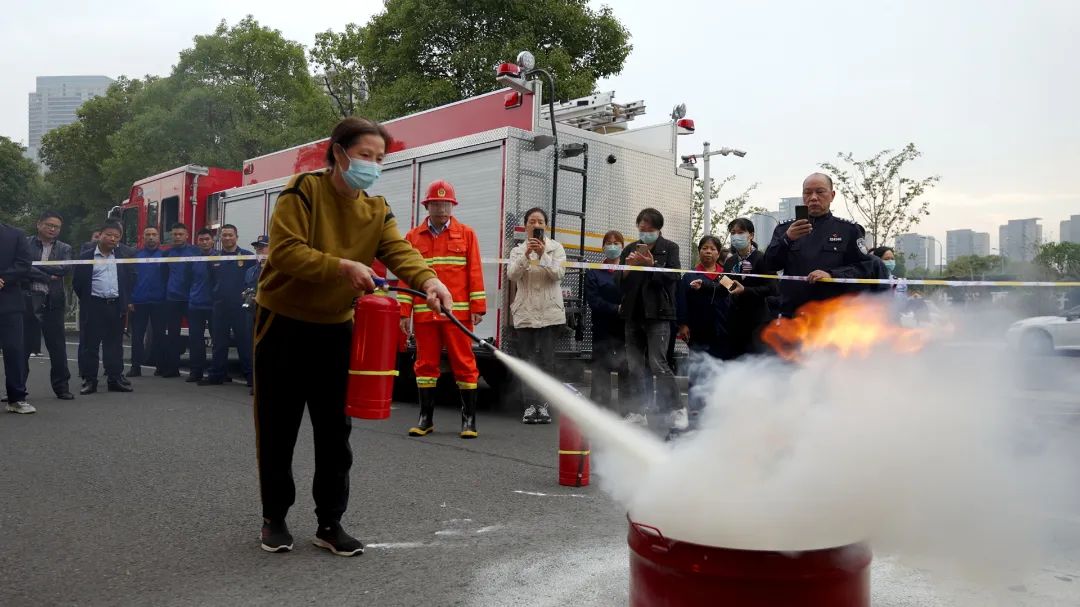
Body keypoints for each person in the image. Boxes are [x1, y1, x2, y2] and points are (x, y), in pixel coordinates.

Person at [253, 116, 453, 556]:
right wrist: (342, 266)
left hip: (335, 328)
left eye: (380, 159)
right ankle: (275, 518)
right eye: (365, 156)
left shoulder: (376, 209)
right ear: (339, 152)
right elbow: (285, 252)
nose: (373, 165)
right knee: (277, 426)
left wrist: (430, 282)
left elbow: (400, 251)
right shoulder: (303, 190)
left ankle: (330, 523)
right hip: (282, 323)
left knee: (334, 431)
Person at [399, 181, 486, 439]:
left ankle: (468, 420)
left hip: (456, 315)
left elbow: (474, 271)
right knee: (425, 364)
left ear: (452, 205)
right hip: (425, 313)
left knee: (464, 364)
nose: (442, 208)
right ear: (427, 205)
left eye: (446, 203)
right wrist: (404, 312)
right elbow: (406, 277)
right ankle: (425, 419)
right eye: (437, 203)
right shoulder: (413, 237)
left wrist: (477, 307)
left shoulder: (467, 234)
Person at [764, 173, 877, 317]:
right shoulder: (785, 229)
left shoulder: (848, 230)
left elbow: (865, 268)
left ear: (832, 195)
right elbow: (769, 264)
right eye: (808, 192)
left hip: (833, 316)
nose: (813, 197)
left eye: (820, 192)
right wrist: (787, 239)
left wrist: (832, 274)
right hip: (793, 315)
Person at [617, 207, 685, 434]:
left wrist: (651, 265)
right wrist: (629, 268)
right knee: (635, 365)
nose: (645, 233)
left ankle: (676, 409)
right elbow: (617, 280)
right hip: (633, 314)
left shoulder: (670, 248)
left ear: (658, 229)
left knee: (658, 364)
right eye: (642, 228)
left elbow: (675, 276)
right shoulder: (629, 249)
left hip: (658, 314)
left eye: (650, 229)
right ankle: (638, 411)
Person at [507, 207, 566, 425]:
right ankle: (530, 406)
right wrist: (526, 255)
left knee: (547, 362)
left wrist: (543, 256)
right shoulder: (517, 250)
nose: (536, 225)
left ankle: (544, 404)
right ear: (526, 225)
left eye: (540, 221)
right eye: (532, 221)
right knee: (528, 361)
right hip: (526, 314)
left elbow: (559, 274)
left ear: (546, 226)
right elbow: (512, 275)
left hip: (550, 314)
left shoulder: (556, 248)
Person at [74, 222, 134, 395]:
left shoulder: (123, 255)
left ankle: (115, 379)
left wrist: (125, 299)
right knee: (90, 345)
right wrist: (89, 300)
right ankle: (89, 380)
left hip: (116, 306)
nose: (112, 238)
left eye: (116, 236)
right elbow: (78, 284)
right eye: (109, 234)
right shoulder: (86, 256)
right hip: (94, 305)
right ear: (100, 235)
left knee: (114, 345)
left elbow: (130, 278)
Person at [676, 235, 731, 427]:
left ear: (718, 252)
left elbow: (733, 295)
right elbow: (681, 302)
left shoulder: (726, 276)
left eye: (712, 248)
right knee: (697, 371)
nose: (708, 251)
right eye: (704, 248)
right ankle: (695, 413)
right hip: (697, 331)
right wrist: (683, 324)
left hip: (722, 331)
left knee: (719, 371)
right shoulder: (690, 276)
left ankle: (717, 412)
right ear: (699, 251)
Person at [22, 211, 74, 401]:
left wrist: (36, 267)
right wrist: (44, 274)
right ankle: (17, 388)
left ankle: (62, 387)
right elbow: (22, 267)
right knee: (23, 347)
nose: (52, 229)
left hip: (54, 302)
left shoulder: (64, 248)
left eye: (56, 227)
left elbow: (64, 269)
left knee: (57, 347)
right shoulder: (25, 243)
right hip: (28, 300)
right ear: (39, 224)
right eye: (49, 225)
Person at [199, 225, 253, 387]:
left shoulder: (247, 256)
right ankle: (217, 375)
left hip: (241, 307)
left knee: (244, 343)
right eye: (224, 235)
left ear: (237, 236)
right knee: (219, 343)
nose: (227, 238)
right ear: (220, 238)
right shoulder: (214, 258)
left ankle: (251, 377)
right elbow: (210, 282)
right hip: (220, 306)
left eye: (230, 235)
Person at [585, 230, 631, 413]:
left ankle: (627, 408)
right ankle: (599, 405)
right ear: (603, 247)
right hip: (602, 326)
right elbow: (593, 300)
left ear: (622, 246)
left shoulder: (630, 270)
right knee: (600, 365)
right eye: (608, 243)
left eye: (616, 243)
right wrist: (616, 308)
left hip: (625, 327)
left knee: (626, 365)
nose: (612, 246)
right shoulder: (594, 272)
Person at [723, 218, 779, 358]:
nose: (736, 236)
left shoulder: (762, 259)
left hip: (757, 322)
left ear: (751, 235)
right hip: (735, 322)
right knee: (734, 363)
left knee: (756, 364)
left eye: (741, 232)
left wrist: (746, 291)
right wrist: (704, 285)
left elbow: (773, 288)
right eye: (733, 233)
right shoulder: (730, 261)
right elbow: (726, 285)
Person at [1, 222, 32, 413]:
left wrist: (4, 278)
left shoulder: (15, 234)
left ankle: (16, 398)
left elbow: (23, 264)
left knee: (14, 350)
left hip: (9, 302)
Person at [128, 226, 167, 377]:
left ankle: (160, 366)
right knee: (137, 336)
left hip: (159, 302)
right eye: (148, 235)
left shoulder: (165, 256)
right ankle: (135, 367)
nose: (151, 237)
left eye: (154, 235)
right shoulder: (135, 255)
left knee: (159, 335)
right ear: (143, 238)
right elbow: (128, 278)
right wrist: (129, 299)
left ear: (158, 238)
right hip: (139, 301)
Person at [160, 223, 196, 378]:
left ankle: (196, 370)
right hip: (172, 299)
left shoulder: (195, 252)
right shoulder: (167, 254)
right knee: (173, 335)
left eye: (180, 234)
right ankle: (172, 368)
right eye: (175, 234)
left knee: (195, 335)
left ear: (187, 235)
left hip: (191, 299)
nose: (177, 237)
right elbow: (163, 276)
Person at [186, 228, 215, 383]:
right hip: (195, 304)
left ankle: (217, 372)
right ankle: (196, 371)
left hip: (213, 306)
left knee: (217, 340)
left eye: (207, 239)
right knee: (195, 340)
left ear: (212, 240)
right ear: (197, 242)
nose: (204, 242)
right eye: (201, 240)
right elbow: (187, 280)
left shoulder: (219, 257)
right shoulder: (192, 258)